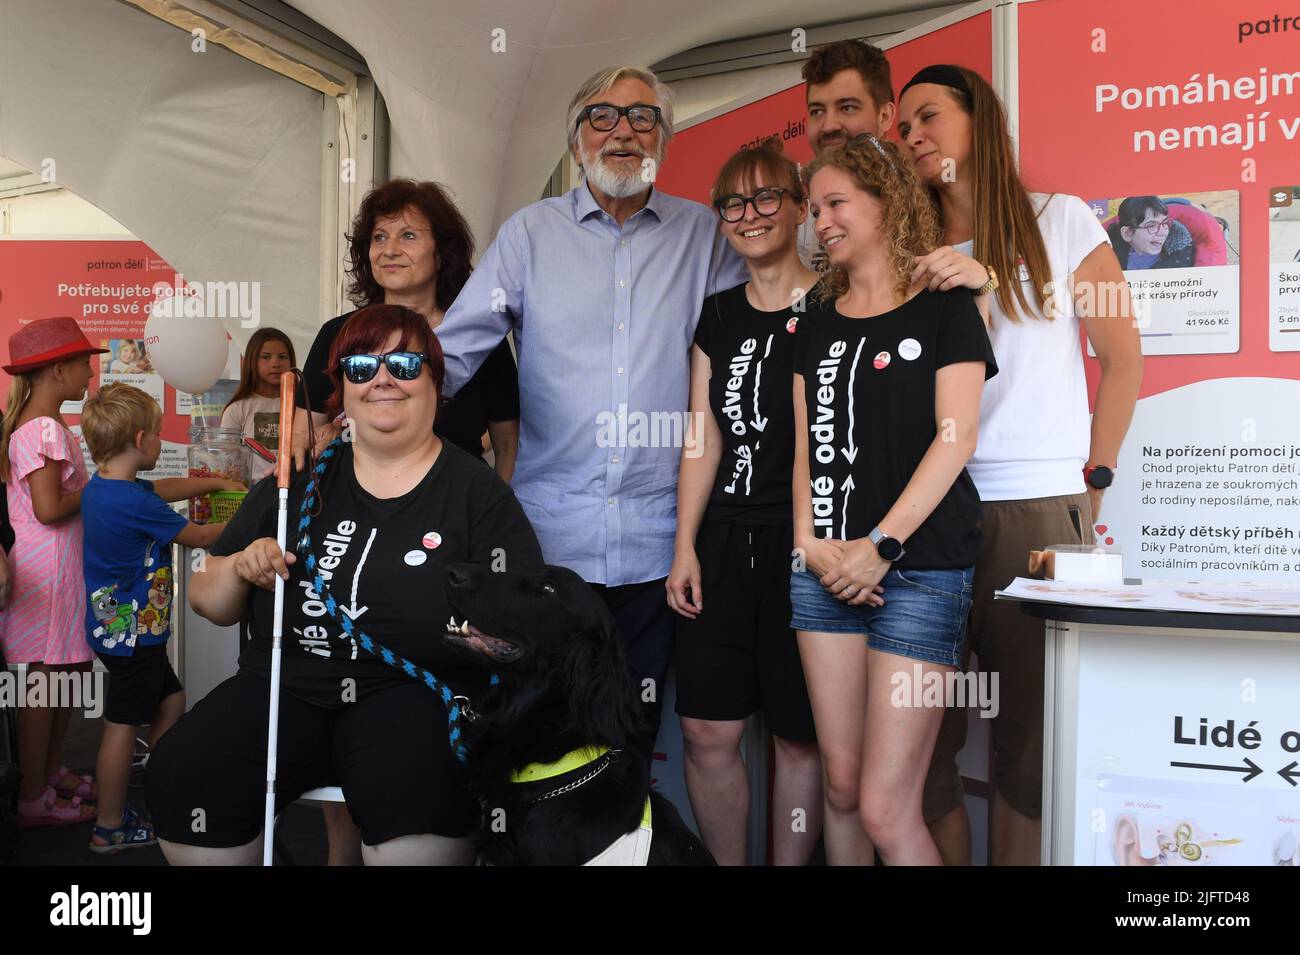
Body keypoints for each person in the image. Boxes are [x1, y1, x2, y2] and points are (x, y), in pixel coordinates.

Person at [147, 304, 543, 866]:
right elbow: (205, 600)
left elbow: (520, 627)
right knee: (186, 770)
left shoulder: (477, 494)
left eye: (405, 363)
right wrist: (239, 567)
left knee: (420, 802)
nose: (382, 378)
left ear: (437, 380)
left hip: (414, 695)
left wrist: (475, 639)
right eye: (360, 367)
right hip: (284, 686)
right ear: (341, 389)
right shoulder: (292, 486)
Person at [435, 65, 747, 756]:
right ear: (576, 143)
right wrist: (363, 412)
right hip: (547, 551)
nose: (623, 133)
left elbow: (757, 339)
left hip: (662, 548)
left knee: (631, 733)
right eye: (602, 118)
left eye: (642, 119)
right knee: (537, 732)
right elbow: (452, 355)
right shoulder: (528, 236)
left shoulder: (706, 236)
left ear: (664, 139)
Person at [897, 64, 1142, 866]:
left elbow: (1122, 356)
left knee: (1028, 754)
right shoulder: (903, 244)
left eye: (928, 114)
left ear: (981, 120)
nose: (914, 135)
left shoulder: (1063, 222)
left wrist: (1093, 482)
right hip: (927, 514)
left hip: (1038, 511)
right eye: (903, 128)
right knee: (922, 748)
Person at [791, 135, 996, 866]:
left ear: (885, 202)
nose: (822, 222)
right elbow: (805, 446)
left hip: (919, 570)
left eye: (837, 203)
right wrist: (809, 543)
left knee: (885, 806)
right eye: (814, 210)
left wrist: (879, 547)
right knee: (841, 790)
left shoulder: (946, 307)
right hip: (823, 569)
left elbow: (956, 436)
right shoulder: (814, 316)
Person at [665, 137, 822, 866]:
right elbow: (703, 435)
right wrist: (685, 545)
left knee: (799, 734)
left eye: (766, 198)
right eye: (733, 202)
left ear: (798, 208)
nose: (749, 214)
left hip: (806, 548)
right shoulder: (717, 316)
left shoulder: (836, 303)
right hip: (723, 542)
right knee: (706, 730)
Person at [79, 382, 237, 853]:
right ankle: (109, 826)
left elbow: (164, 488)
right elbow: (203, 536)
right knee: (122, 725)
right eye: (160, 437)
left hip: (119, 629)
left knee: (170, 701)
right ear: (142, 438)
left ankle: (158, 782)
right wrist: (258, 512)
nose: (163, 445)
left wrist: (216, 482)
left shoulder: (106, 488)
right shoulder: (136, 504)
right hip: (133, 634)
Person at [292, 179, 519, 481]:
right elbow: (300, 438)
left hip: (458, 512)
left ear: (441, 253)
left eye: (408, 236)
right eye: (380, 237)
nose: (389, 251)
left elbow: (507, 446)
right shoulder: (337, 334)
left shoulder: (481, 339)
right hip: (355, 515)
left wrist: (496, 516)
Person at [0, 318, 106, 826]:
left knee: (67, 673)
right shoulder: (43, 427)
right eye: (84, 362)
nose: (90, 372)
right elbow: (48, 508)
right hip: (48, 569)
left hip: (58, 568)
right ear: (58, 369)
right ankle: (33, 795)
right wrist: (106, 487)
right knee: (46, 681)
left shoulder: (37, 423)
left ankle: (50, 770)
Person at [798, 39, 897, 270]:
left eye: (847, 107)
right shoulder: (792, 217)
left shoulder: (926, 204)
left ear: (884, 116)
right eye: (817, 111)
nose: (829, 125)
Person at [221, 328, 296, 482]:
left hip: (296, 488)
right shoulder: (237, 409)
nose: (275, 363)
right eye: (266, 357)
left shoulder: (302, 406)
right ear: (252, 362)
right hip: (252, 493)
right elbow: (226, 460)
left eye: (282, 357)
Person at [1106, 196, 1195, 270]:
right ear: (1128, 233)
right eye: (1151, 226)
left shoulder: (1180, 251)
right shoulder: (1108, 258)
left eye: (1164, 223)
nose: (1163, 232)